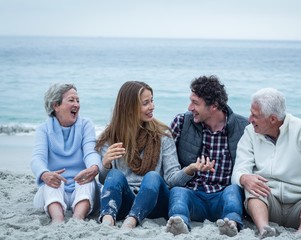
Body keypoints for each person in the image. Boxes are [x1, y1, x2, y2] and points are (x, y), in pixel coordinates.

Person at [231, 88, 301, 239]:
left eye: (255, 116)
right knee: (252, 185)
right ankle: (264, 230)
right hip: (267, 206)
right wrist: (244, 178)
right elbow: (239, 170)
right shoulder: (250, 132)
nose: (250, 119)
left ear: (273, 119)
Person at [95, 81, 197, 229]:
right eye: (145, 103)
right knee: (115, 174)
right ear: (130, 108)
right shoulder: (110, 137)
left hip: (154, 204)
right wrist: (105, 165)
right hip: (126, 202)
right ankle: (107, 219)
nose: (152, 106)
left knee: (153, 176)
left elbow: (171, 179)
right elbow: (107, 181)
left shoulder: (162, 135)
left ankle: (132, 221)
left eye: (152, 100)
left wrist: (189, 170)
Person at [166, 75, 249, 237]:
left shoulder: (243, 127)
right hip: (193, 194)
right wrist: (190, 170)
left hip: (223, 194)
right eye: (191, 101)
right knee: (178, 192)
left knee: (233, 191)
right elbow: (168, 167)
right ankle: (179, 223)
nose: (190, 107)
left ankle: (231, 222)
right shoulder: (182, 122)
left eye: (196, 103)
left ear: (214, 106)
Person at [31, 83, 101, 224]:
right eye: (71, 100)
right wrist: (45, 174)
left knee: (85, 179)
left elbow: (90, 152)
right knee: (53, 181)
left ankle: (77, 219)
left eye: (78, 100)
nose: (76, 104)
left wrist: (94, 167)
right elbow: (38, 158)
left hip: (80, 190)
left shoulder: (86, 125)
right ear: (55, 105)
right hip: (54, 191)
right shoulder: (43, 129)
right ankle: (57, 220)